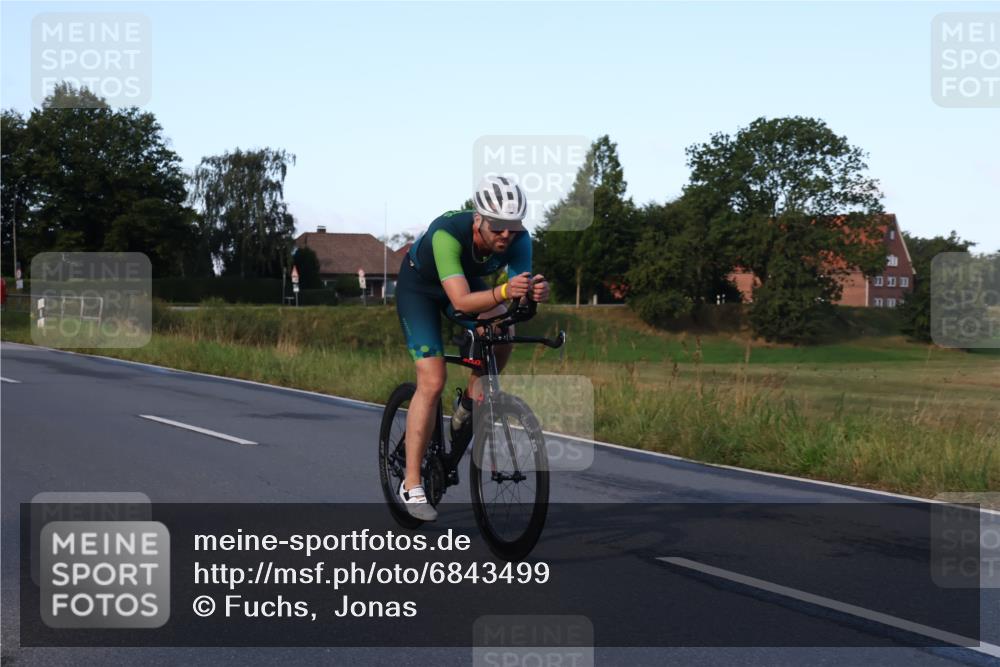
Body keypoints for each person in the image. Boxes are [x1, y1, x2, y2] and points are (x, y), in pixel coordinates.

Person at [394, 175, 550, 520]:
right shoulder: (447, 234)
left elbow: (517, 300)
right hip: (420, 290)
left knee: (503, 327)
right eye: (498, 228)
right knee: (432, 380)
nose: (506, 235)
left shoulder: (520, 239)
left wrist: (534, 292)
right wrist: (506, 292)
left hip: (466, 285)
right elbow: (462, 301)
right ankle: (412, 482)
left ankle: (469, 404)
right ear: (478, 220)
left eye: (513, 226)